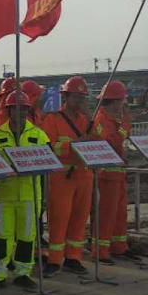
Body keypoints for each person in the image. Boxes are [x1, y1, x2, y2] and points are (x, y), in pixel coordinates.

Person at [0, 90, 51, 289]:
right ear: (9, 110)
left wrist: (45, 196)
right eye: (15, 109)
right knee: (1, 237)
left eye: (23, 109)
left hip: (30, 195)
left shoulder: (39, 135)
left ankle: (23, 273)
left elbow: (48, 164)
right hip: (3, 195)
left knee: (27, 237)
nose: (19, 112)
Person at [41, 76, 93, 276]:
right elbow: (50, 147)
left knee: (80, 218)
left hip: (84, 175)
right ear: (66, 97)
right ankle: (54, 259)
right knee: (59, 218)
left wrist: (90, 117)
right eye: (76, 97)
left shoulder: (86, 121)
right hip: (62, 177)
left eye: (82, 98)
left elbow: (99, 140)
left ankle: (73, 257)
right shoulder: (53, 119)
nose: (79, 101)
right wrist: (73, 146)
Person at [93, 80, 139, 263]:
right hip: (106, 175)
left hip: (118, 173)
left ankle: (119, 247)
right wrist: (126, 124)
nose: (123, 105)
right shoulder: (101, 119)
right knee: (107, 214)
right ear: (113, 101)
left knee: (120, 213)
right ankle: (101, 251)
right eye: (121, 101)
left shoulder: (113, 119)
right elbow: (111, 140)